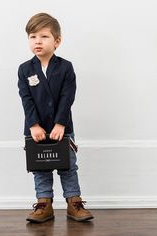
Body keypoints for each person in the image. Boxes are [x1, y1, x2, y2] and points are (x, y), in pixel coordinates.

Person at [18, 12, 94, 223]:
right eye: (33, 37)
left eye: (44, 36)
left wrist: (61, 123)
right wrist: (33, 125)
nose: (38, 41)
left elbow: (67, 96)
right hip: (36, 130)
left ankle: (74, 202)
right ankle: (44, 204)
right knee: (40, 168)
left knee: (68, 165)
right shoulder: (25, 69)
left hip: (63, 127)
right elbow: (26, 99)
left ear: (57, 41)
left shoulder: (65, 67)